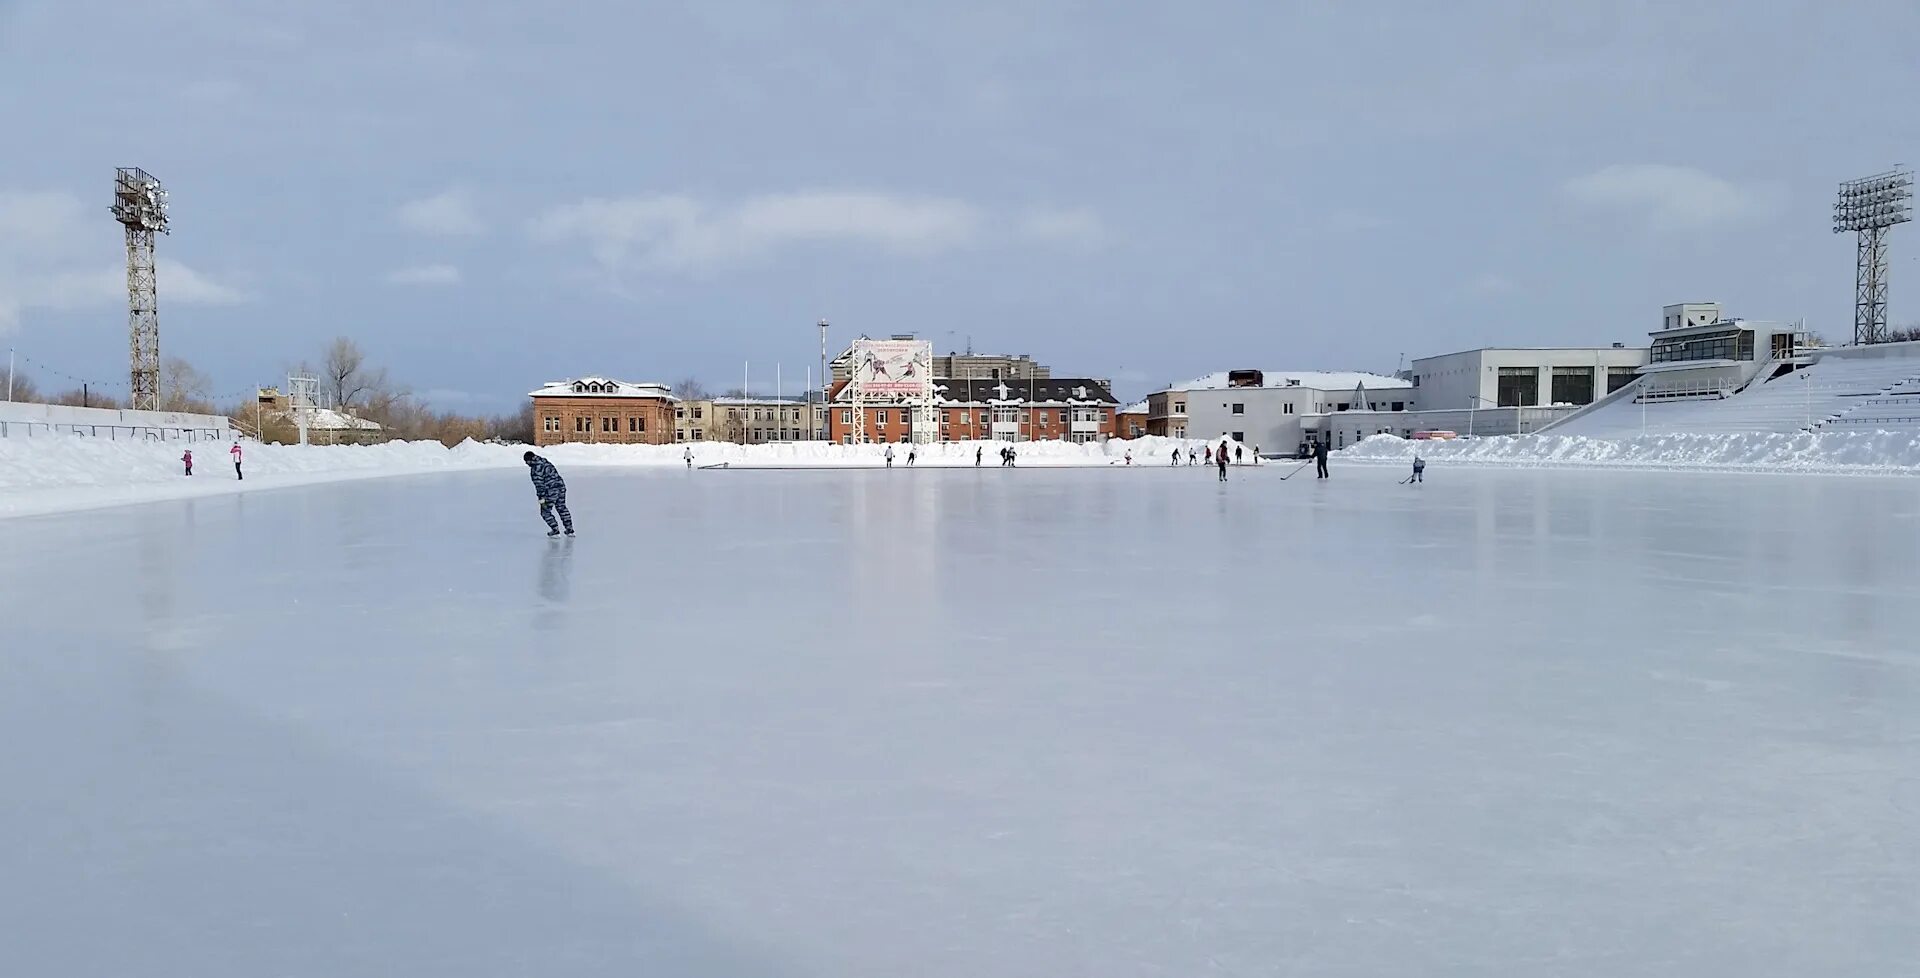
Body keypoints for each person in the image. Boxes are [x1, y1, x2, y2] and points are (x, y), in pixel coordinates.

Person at [523, 451, 574, 537]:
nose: (526, 464)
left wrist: (541, 498)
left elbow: (539, 485)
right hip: (561, 487)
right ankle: (570, 530)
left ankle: (555, 530)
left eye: (526, 462)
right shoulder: (545, 461)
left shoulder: (535, 469)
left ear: (529, 460)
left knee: (545, 511)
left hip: (550, 491)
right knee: (562, 508)